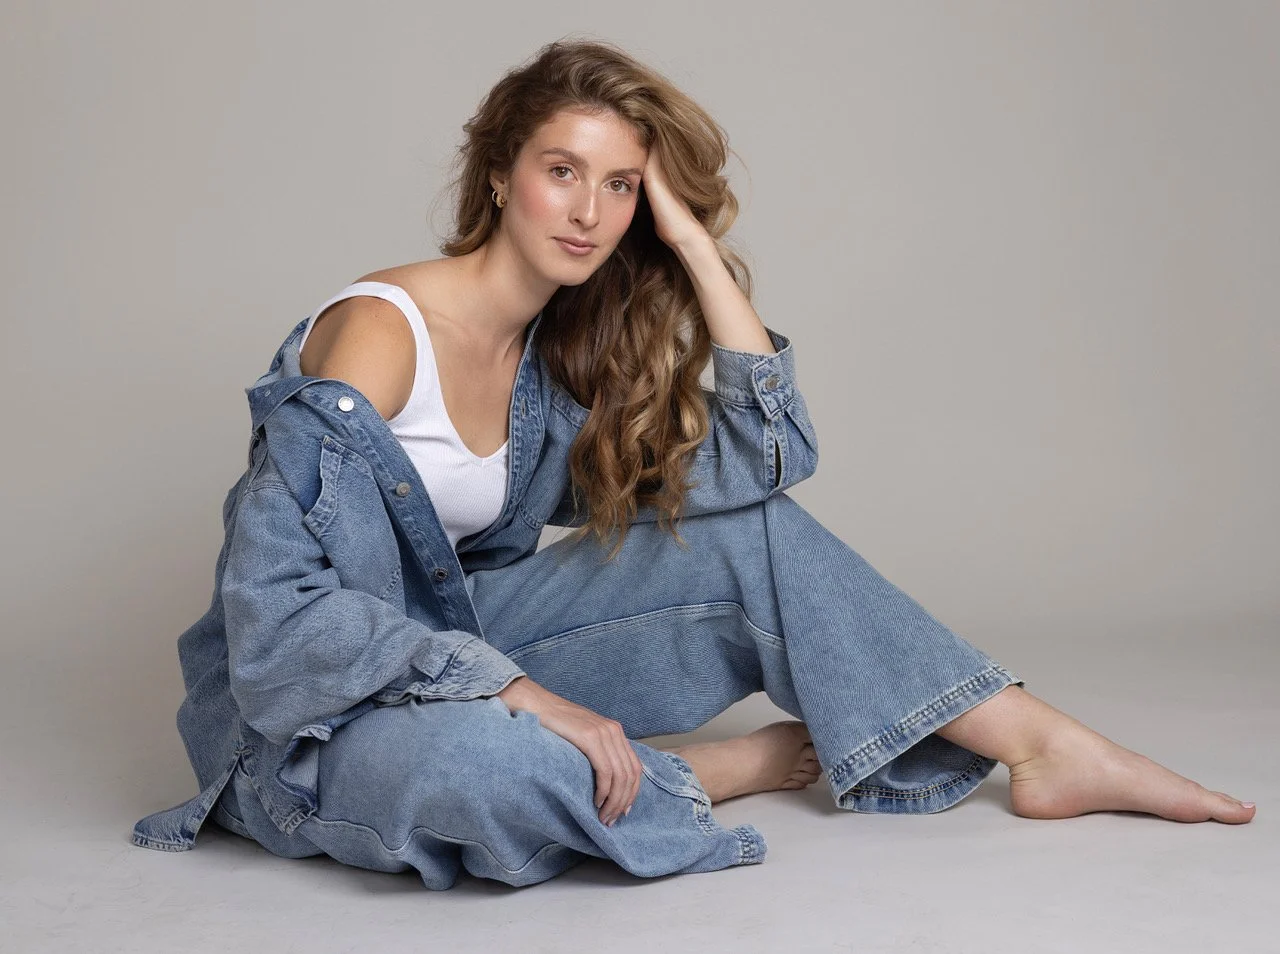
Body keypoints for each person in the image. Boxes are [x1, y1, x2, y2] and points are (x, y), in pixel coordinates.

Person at [132, 37, 1255, 889]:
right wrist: (517, 694)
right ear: (495, 175)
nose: (586, 211)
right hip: (303, 726)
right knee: (485, 770)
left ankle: (1044, 745)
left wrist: (696, 256)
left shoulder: (546, 362)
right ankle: (722, 772)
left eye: (619, 187)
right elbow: (275, 632)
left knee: (744, 541)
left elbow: (760, 470)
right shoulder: (376, 335)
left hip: (451, 648)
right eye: (560, 171)